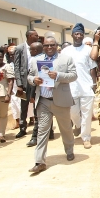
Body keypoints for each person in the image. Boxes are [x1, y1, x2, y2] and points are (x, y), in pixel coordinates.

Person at [27, 36, 77, 173]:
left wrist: (59, 75)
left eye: (52, 45)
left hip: (60, 100)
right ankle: (39, 161)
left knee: (65, 128)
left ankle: (69, 150)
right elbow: (29, 76)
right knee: (42, 131)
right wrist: (33, 80)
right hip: (43, 100)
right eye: (46, 45)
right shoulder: (36, 60)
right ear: (43, 47)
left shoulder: (65, 59)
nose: (49, 48)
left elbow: (73, 76)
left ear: (56, 45)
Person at [61, 23, 97, 149]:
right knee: (73, 112)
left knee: (87, 114)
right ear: (72, 35)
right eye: (76, 34)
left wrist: (94, 83)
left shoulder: (88, 50)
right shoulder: (66, 51)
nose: (79, 36)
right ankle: (77, 125)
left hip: (86, 86)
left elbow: (93, 69)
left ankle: (86, 138)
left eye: (81, 34)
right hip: (70, 87)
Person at [14, 29, 39, 139]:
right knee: (24, 105)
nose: (38, 37)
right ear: (29, 36)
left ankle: (37, 128)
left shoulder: (38, 47)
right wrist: (19, 84)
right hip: (24, 82)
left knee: (37, 104)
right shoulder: (20, 48)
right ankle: (22, 128)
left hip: (36, 80)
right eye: (35, 35)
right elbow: (16, 67)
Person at [0, 47, 14, 143]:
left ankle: (2, 134)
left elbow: (10, 81)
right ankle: (0, 128)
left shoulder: (7, 66)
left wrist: (8, 94)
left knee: (3, 114)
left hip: (3, 91)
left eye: (1, 57)